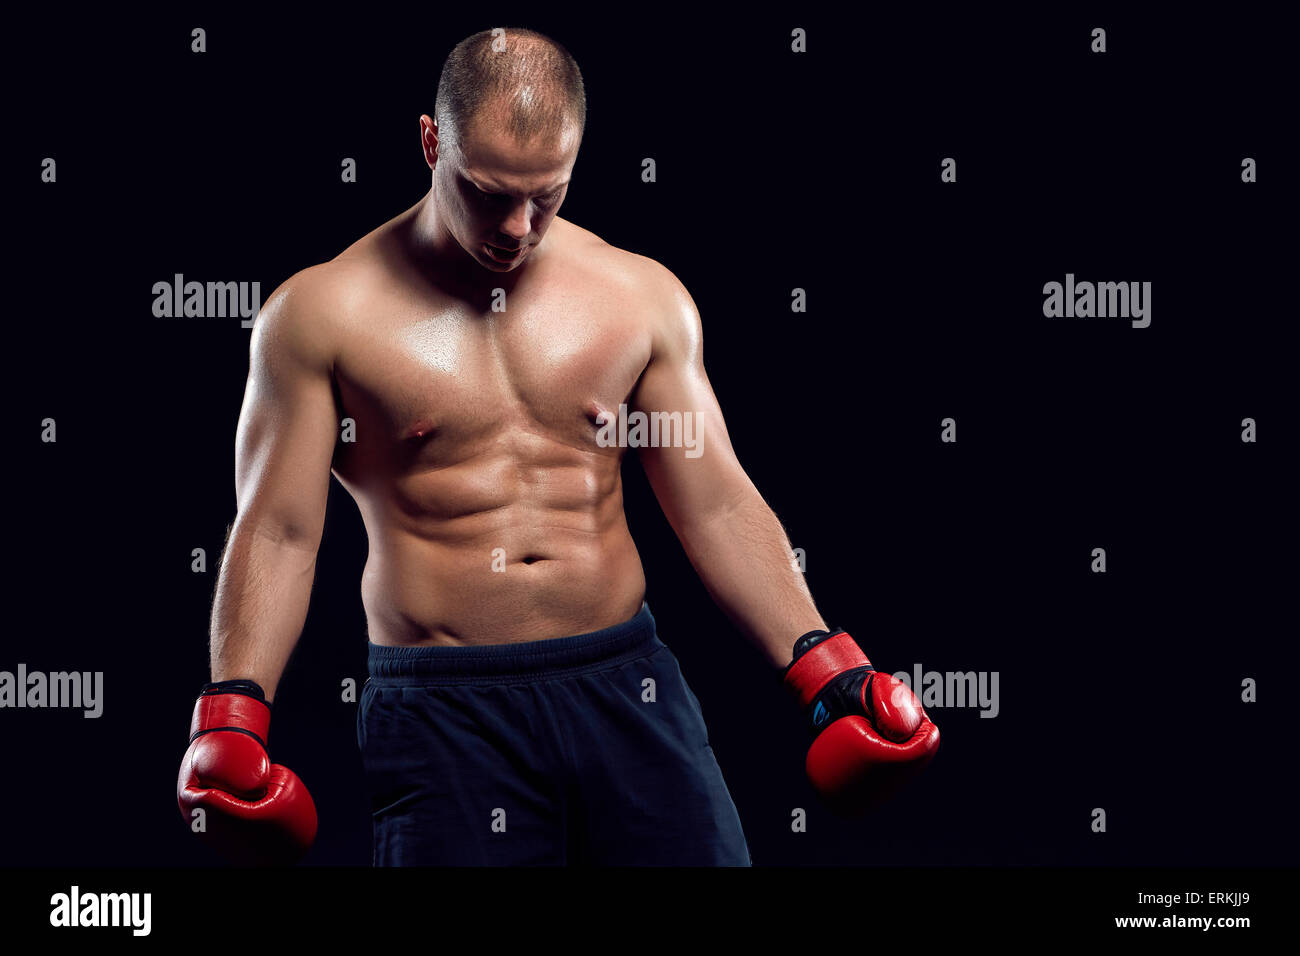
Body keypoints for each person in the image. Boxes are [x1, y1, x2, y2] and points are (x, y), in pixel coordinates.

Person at [176, 26, 938, 867]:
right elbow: (279, 528)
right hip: (444, 708)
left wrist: (825, 665)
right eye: (487, 191)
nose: (516, 226)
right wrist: (233, 709)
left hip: (625, 681)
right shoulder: (320, 315)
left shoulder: (639, 297)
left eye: (547, 194)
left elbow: (715, 500)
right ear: (431, 142)